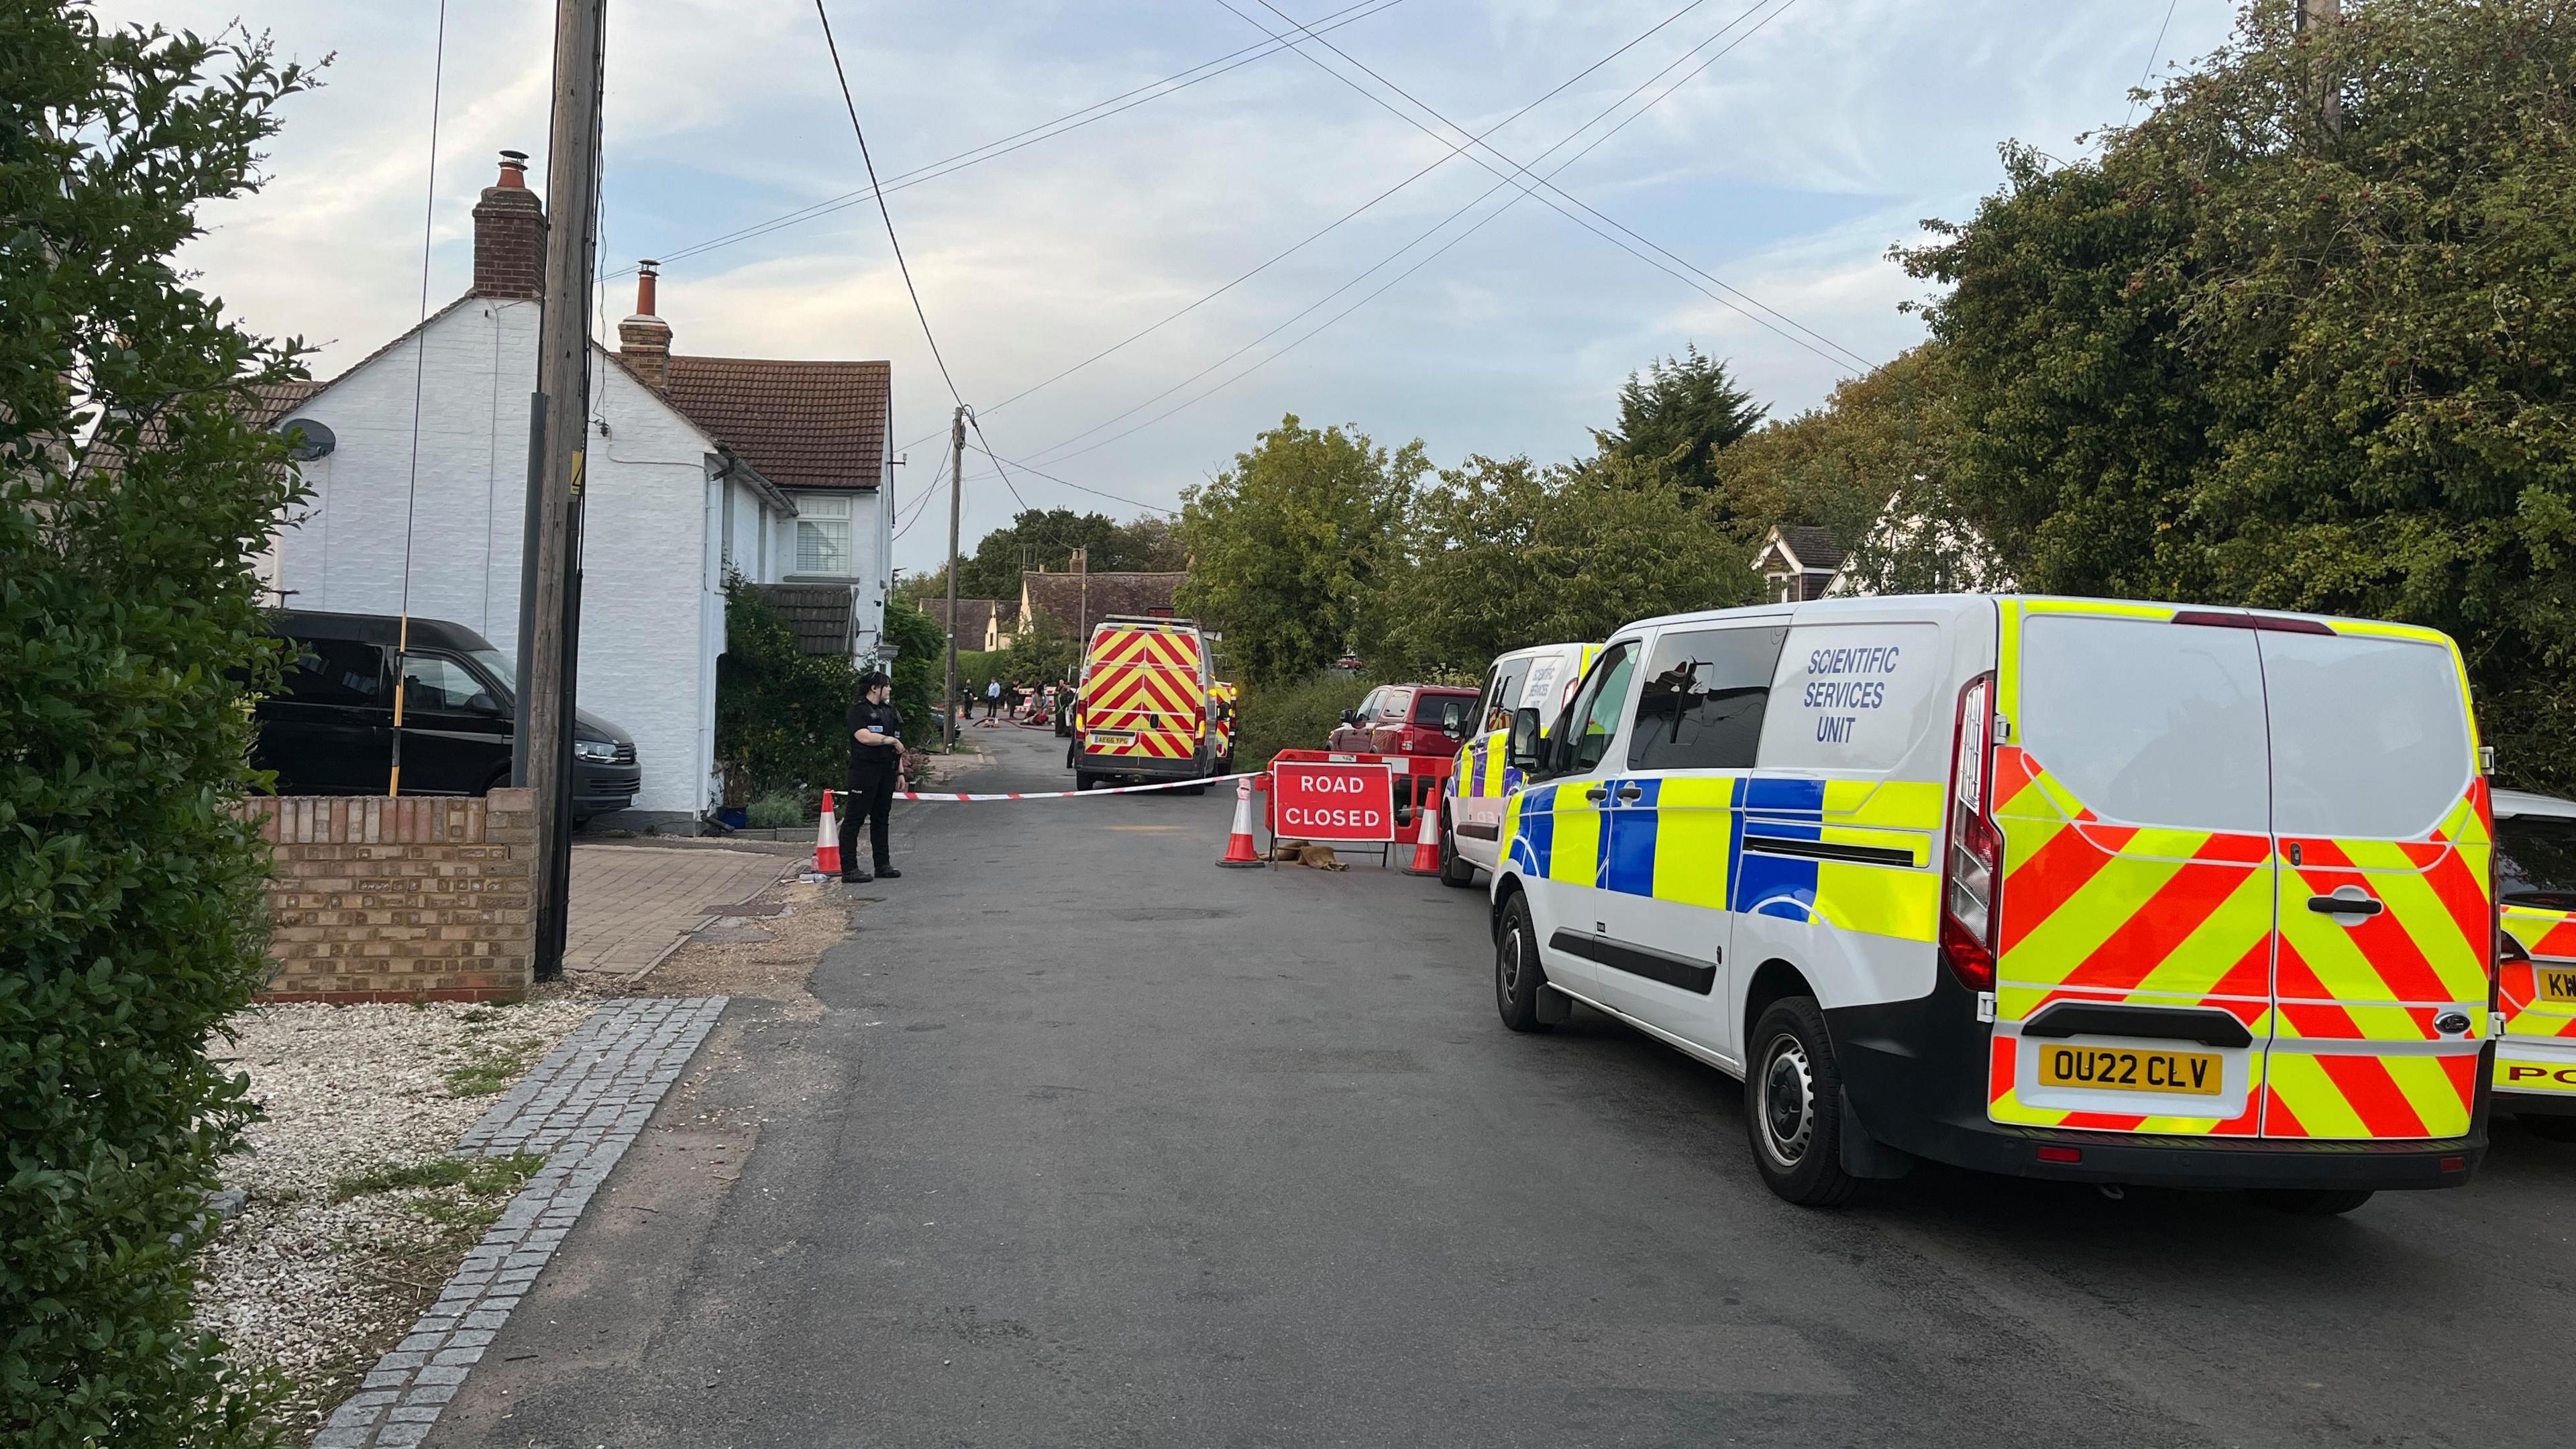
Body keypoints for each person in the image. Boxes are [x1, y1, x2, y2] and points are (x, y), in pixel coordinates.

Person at [842, 672, 903, 883]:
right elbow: (864, 737)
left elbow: (898, 743)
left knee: (881, 819)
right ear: (874, 688)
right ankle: (849, 868)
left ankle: (882, 864)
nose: (890, 690)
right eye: (886, 686)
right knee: (854, 819)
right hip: (864, 770)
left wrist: (900, 771)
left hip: (886, 770)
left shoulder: (890, 712)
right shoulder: (858, 712)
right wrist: (889, 741)